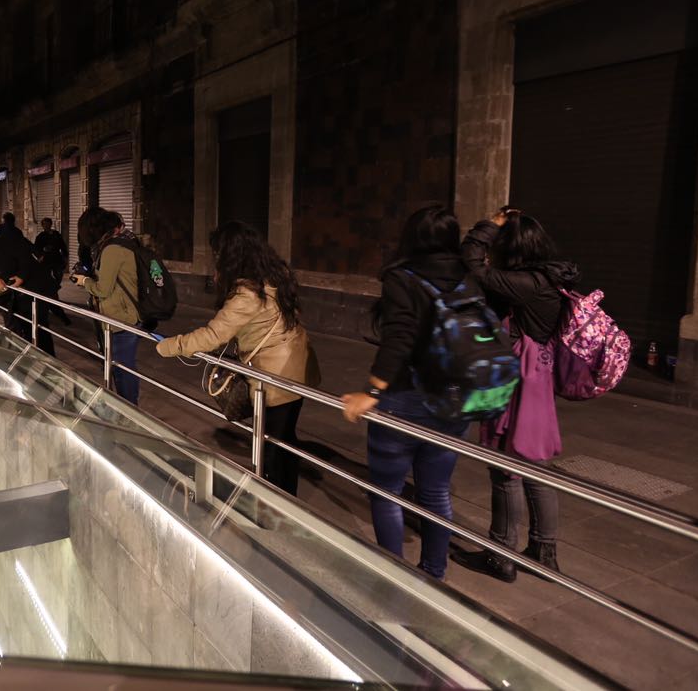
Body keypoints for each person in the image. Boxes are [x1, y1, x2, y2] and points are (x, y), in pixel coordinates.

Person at [341, 205, 476, 580]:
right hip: (454, 401)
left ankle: (395, 577)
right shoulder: (471, 277)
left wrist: (372, 389)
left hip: (406, 399)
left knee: (387, 492)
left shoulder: (403, 277)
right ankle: (433, 574)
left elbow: (399, 336)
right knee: (435, 492)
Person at [453, 208, 580, 581]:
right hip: (536, 377)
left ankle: (501, 554)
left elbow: (472, 262)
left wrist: (487, 226)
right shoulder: (550, 277)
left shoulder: (526, 283)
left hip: (518, 381)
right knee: (536, 468)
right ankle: (543, 553)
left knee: (505, 469)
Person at [155, 221, 318, 495]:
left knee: (272, 444)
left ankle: (277, 504)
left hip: (274, 378)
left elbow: (212, 336)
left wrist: (170, 346)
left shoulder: (248, 294)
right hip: (294, 368)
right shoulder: (275, 277)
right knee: (284, 438)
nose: (215, 259)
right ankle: (285, 495)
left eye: (218, 254)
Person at [72, 209, 140, 403]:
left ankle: (130, 410)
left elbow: (103, 289)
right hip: (120, 315)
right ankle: (128, 406)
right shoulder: (117, 245)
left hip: (123, 319)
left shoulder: (112, 249)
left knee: (123, 369)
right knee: (120, 367)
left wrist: (83, 281)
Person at [0, 232, 55, 355]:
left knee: (39, 327)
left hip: (35, 287)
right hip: (20, 293)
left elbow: (25, 257)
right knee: (24, 326)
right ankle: (33, 356)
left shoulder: (1, 243)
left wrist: (21, 277)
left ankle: (48, 358)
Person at [34, 218, 72, 325]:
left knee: (58, 277)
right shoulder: (40, 236)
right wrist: (42, 252)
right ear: (42, 226)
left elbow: (62, 246)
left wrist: (65, 256)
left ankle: (54, 290)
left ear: (51, 225)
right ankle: (53, 294)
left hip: (56, 260)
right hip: (46, 261)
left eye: (48, 224)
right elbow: (36, 248)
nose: (46, 226)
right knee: (48, 280)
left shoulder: (56, 234)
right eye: (44, 224)